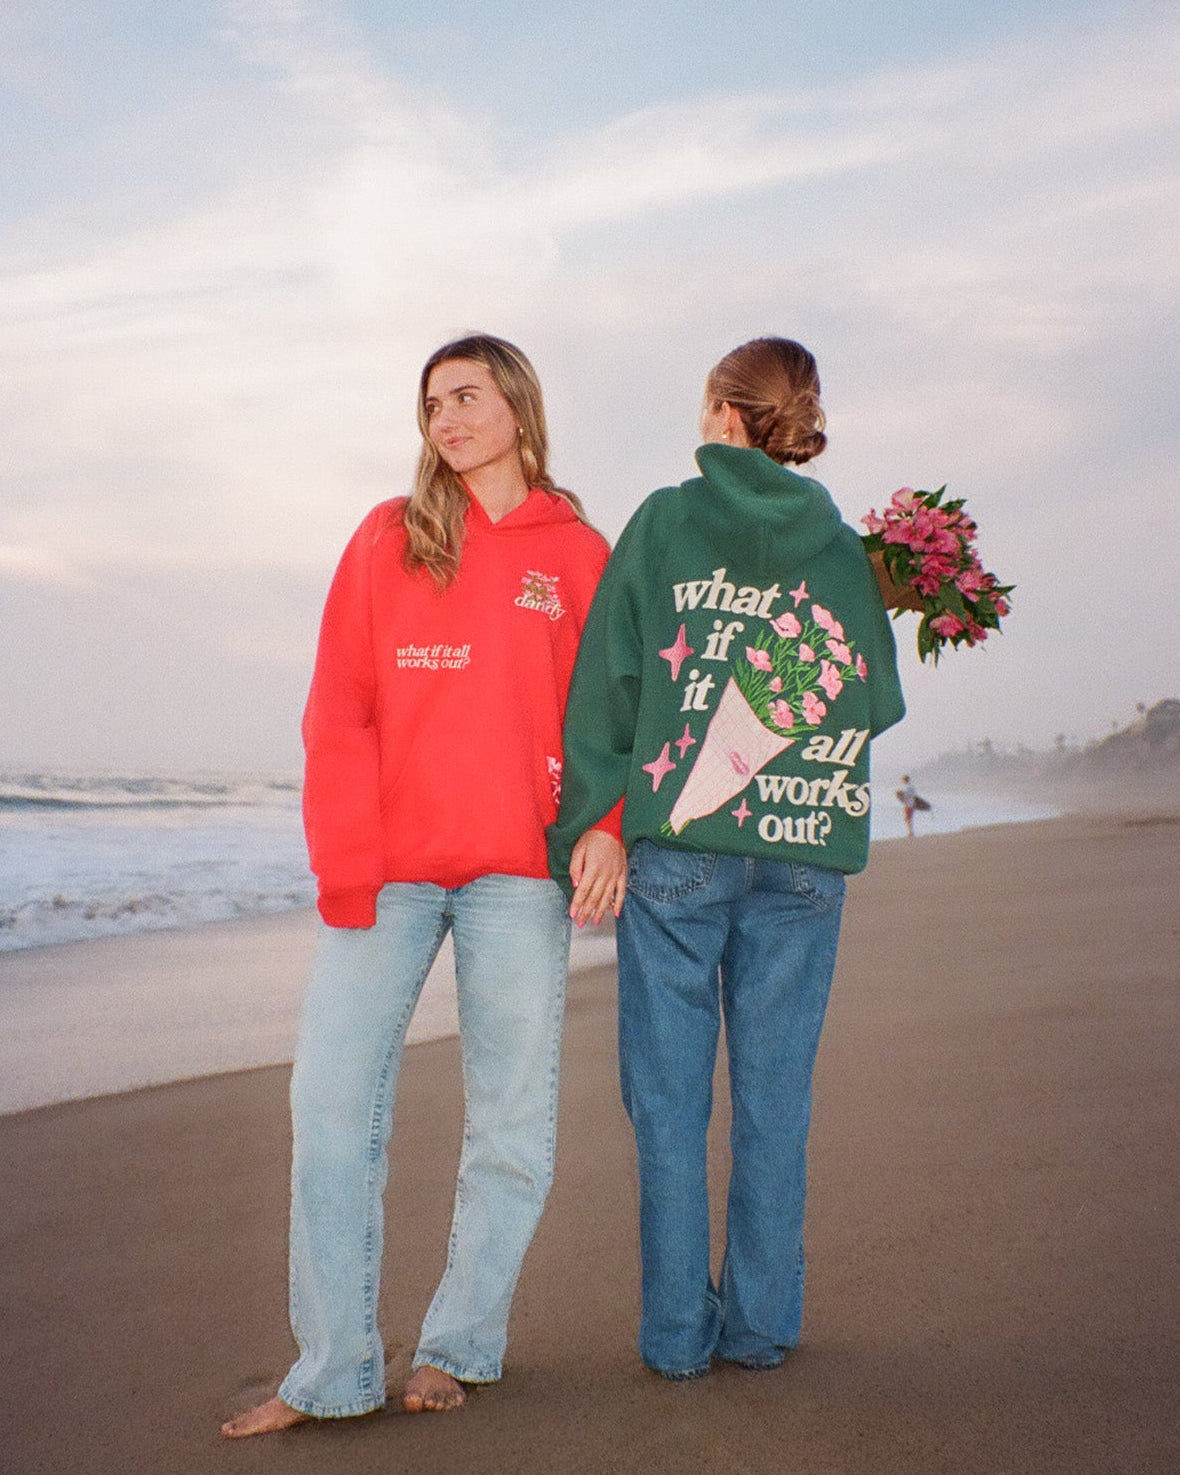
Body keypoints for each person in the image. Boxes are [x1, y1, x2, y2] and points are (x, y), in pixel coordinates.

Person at [223, 334, 625, 1438]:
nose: (446, 419)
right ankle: (333, 1367)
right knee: (329, 1107)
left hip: (518, 873)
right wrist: (345, 863)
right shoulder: (388, 537)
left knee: (510, 1121)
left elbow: (610, 712)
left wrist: (604, 828)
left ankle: (459, 1342)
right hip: (390, 873)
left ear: (517, 407)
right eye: (432, 402)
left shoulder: (576, 551)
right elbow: (337, 707)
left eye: (466, 396)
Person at [550, 337, 905, 1380]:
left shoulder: (665, 520)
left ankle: (675, 1335)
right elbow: (875, 699)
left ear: (723, 411)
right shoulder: (841, 549)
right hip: (801, 856)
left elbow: (609, 680)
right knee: (774, 1097)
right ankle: (758, 1326)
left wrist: (592, 820)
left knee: (668, 1103)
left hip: (682, 854)